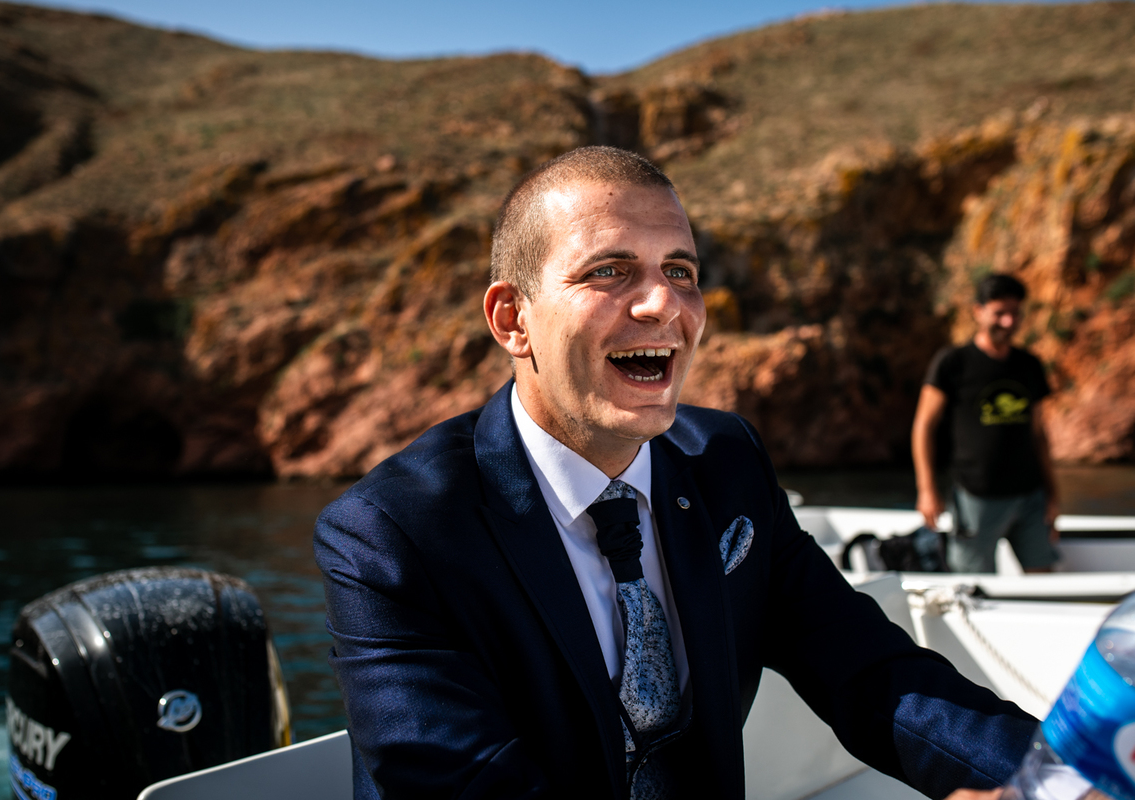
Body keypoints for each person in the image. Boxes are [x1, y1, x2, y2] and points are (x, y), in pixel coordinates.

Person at [315, 147, 1036, 799]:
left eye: (680, 272)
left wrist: (1047, 779)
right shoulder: (392, 536)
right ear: (513, 320)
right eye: (609, 271)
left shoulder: (728, 462)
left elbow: (870, 672)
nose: (664, 304)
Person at [911, 273, 1059, 573]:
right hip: (975, 498)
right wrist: (926, 490)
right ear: (978, 311)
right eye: (999, 313)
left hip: (1030, 495)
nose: (1008, 321)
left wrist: (1052, 494)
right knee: (973, 583)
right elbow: (924, 426)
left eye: (1015, 313)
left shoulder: (1029, 364)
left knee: (1043, 576)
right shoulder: (953, 363)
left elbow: (1038, 433)